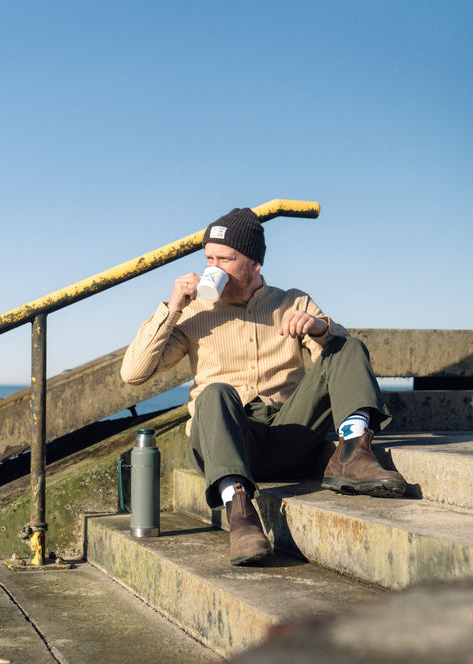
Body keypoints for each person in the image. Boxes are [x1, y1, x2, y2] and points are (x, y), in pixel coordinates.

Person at [121, 207, 406, 566]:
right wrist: (173, 307)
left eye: (225, 258)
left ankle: (353, 453)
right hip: (230, 439)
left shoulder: (291, 300)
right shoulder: (195, 312)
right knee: (215, 392)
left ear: (254, 263)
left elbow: (340, 362)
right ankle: (239, 512)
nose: (214, 267)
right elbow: (133, 373)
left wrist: (319, 327)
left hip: (290, 431)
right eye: (209, 258)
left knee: (345, 344)